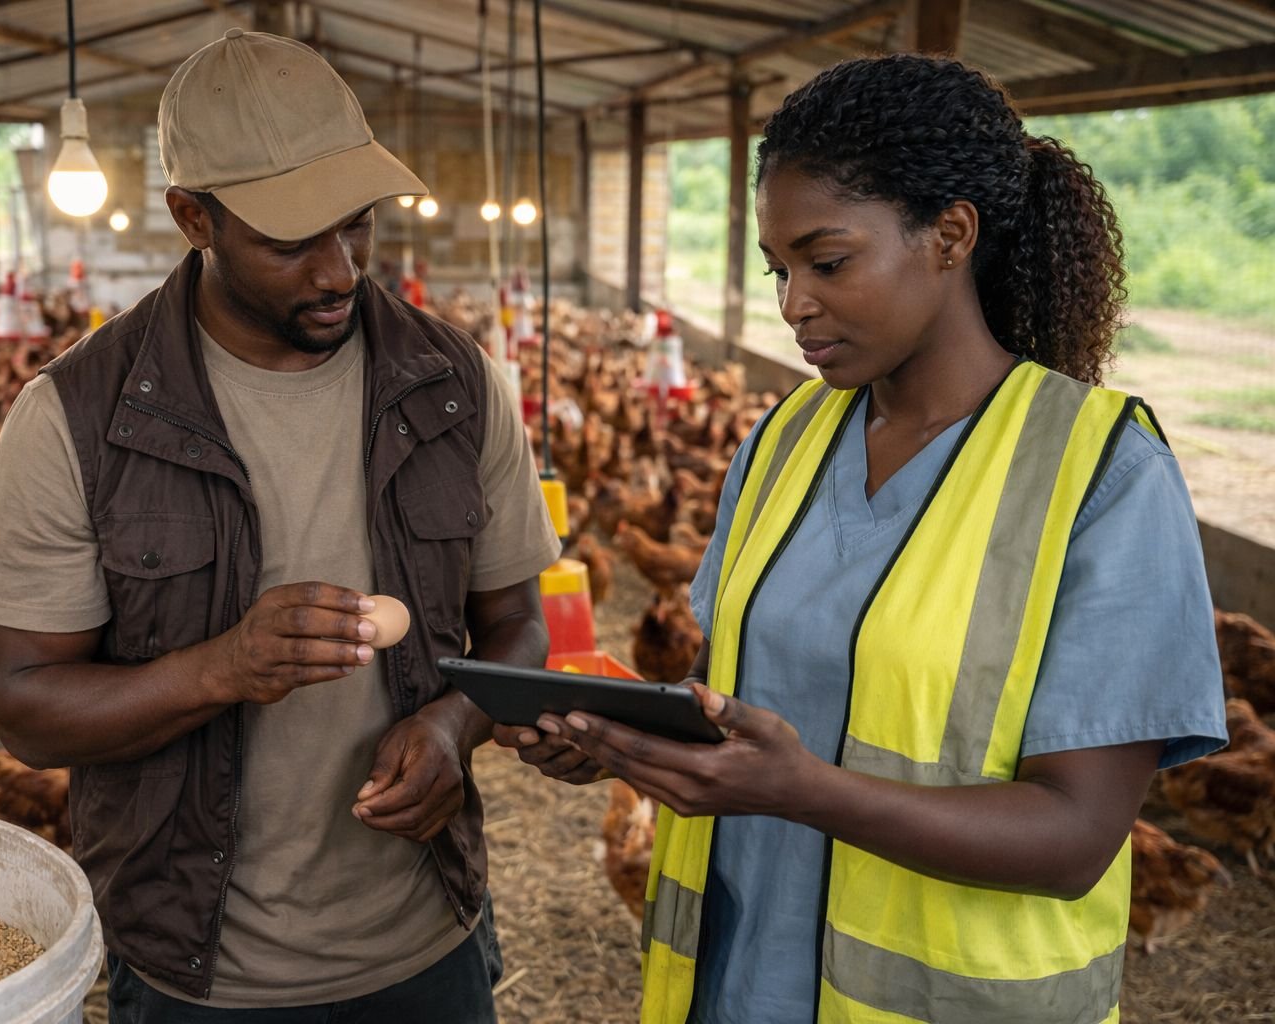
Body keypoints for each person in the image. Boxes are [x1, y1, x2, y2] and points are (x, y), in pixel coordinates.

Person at [496, 54, 1227, 1024]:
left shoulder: (1100, 473)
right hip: (733, 988)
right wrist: (626, 741)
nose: (793, 302)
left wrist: (805, 791)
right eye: (779, 269)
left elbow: (1077, 837)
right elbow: (736, 694)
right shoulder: (785, 440)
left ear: (950, 235)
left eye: (828, 262)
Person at [0, 29, 560, 1024]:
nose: (339, 270)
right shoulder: (76, 415)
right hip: (196, 967)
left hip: (427, 938)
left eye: (357, 225)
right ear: (193, 217)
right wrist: (223, 668)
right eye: (291, 243)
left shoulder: (455, 385)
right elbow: (25, 707)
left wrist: (455, 724)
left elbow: (520, 625)